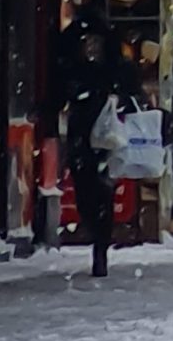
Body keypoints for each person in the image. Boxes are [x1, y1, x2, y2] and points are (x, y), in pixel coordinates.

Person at [56, 17, 143, 277]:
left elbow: (132, 93)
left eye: (96, 42)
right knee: (85, 188)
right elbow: (60, 93)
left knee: (103, 189)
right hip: (83, 136)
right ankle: (96, 231)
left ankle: (100, 245)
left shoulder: (116, 68)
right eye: (87, 43)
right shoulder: (74, 68)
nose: (92, 48)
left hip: (107, 137)